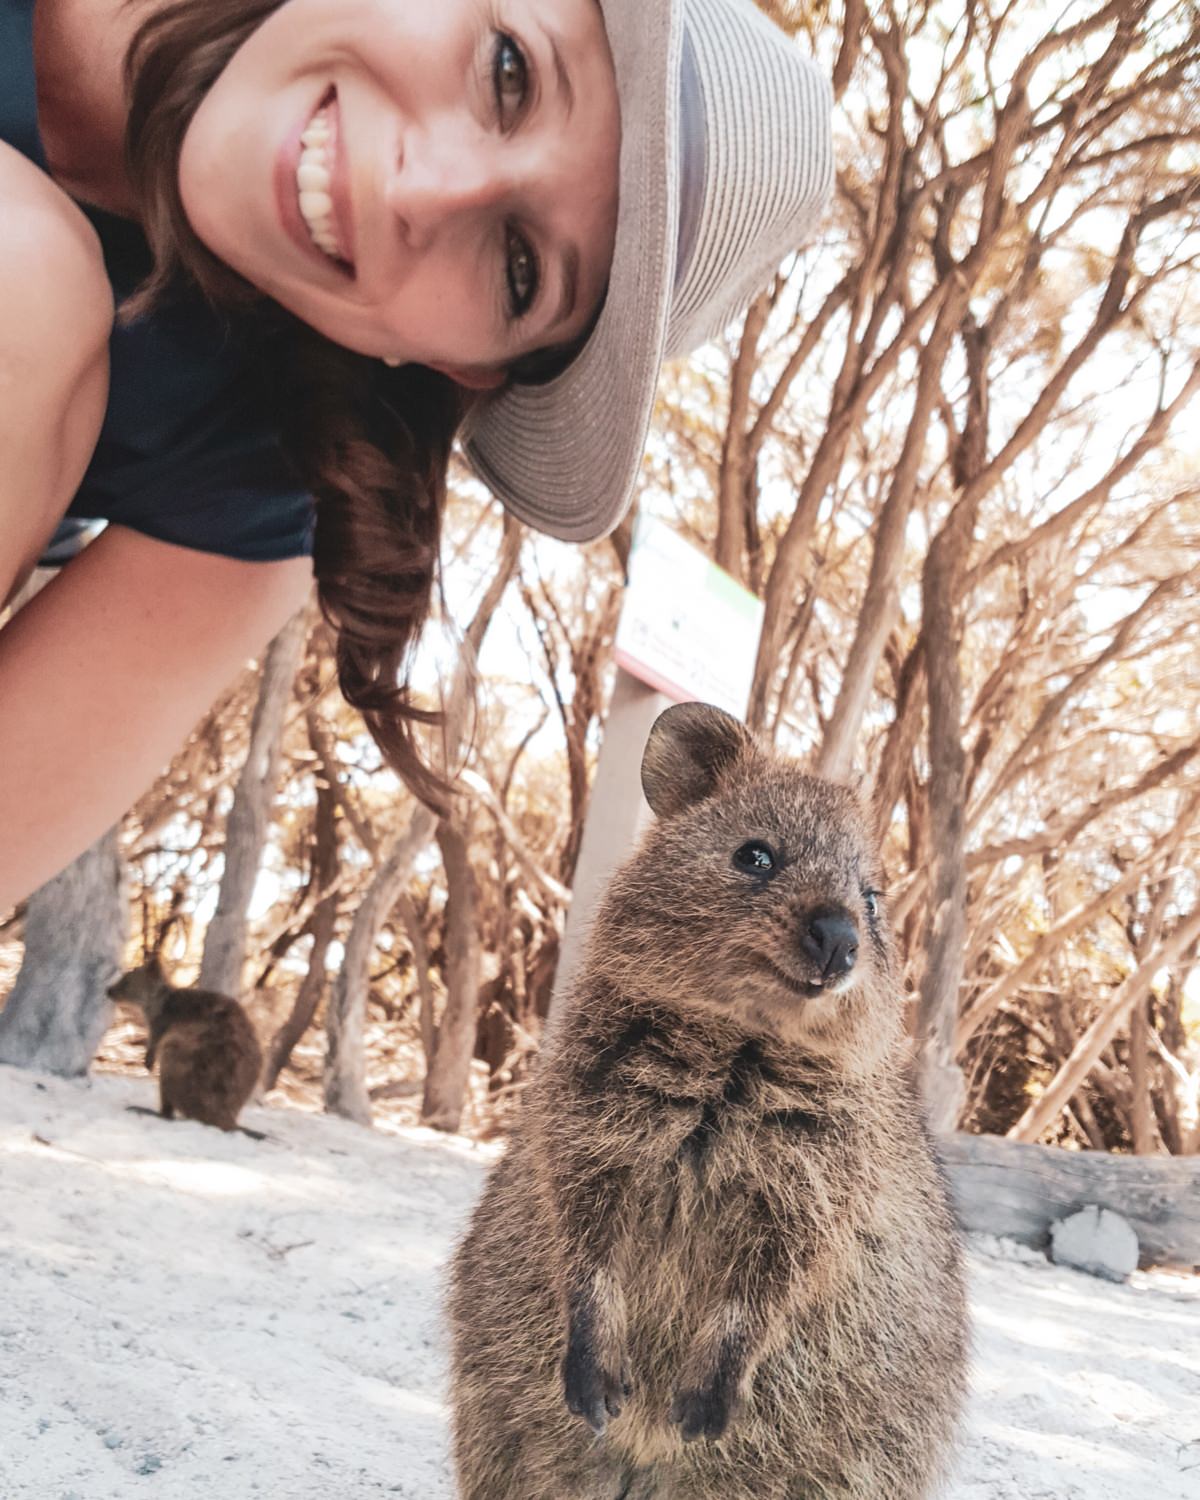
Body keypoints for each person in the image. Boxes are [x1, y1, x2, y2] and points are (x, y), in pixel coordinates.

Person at [0, 0, 833, 913]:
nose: (419, 190)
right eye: (508, 72)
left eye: (520, 270)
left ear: (456, 364)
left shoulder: (261, 481)